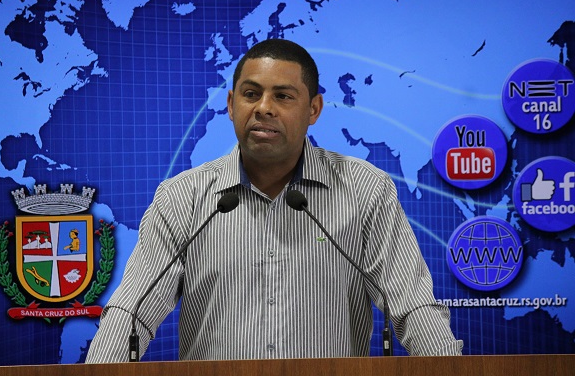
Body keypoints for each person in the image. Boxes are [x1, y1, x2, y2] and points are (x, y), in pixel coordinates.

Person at [86, 39, 463, 362]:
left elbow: (412, 306)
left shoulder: (364, 190)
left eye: (282, 96)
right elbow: (132, 311)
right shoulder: (182, 198)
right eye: (251, 94)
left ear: (313, 109)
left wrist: (451, 371)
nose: (264, 107)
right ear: (231, 104)